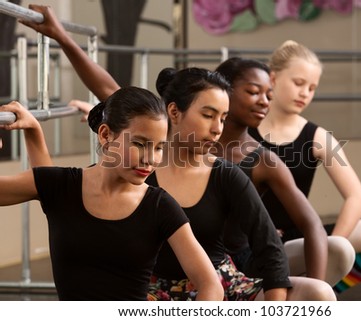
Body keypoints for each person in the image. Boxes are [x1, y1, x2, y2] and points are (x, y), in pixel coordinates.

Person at [21, 4, 337, 301]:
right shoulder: (137, 164)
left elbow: (269, 246)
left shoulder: (229, 172)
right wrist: (61, 37)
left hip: (219, 282)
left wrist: (276, 308)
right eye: (208, 115)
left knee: (317, 294)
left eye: (222, 118)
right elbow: (58, 189)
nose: (217, 127)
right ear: (173, 112)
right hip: (151, 289)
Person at [0, 89, 224, 301]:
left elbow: (211, 286)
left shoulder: (160, 206)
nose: (151, 159)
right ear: (106, 135)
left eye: (158, 148)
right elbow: (48, 181)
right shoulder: (62, 187)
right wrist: (34, 130)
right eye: (139, 143)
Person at [248, 40, 361, 293]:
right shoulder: (243, 126)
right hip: (251, 242)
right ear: (273, 78)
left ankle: (325, 290)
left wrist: (332, 247)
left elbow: (357, 197)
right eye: (298, 83)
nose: (305, 93)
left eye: (312, 88)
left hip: (299, 238)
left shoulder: (319, 137)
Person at [214, 57, 355, 286]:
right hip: (187, 264)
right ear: (223, 91)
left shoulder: (265, 160)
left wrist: (315, 289)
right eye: (253, 92)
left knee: (339, 249)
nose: (264, 102)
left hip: (244, 265)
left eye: (269, 96)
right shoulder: (187, 145)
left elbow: (312, 225)